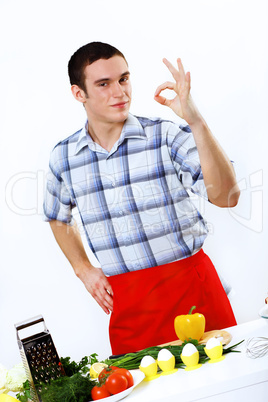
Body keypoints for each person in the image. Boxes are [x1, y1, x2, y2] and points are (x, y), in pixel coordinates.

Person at [43, 42, 240, 354]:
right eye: (103, 84)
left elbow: (227, 197)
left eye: (123, 79)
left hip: (193, 294)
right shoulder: (64, 157)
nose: (119, 92)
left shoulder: (165, 135)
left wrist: (196, 123)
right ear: (79, 93)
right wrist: (83, 268)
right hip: (131, 308)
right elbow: (56, 215)